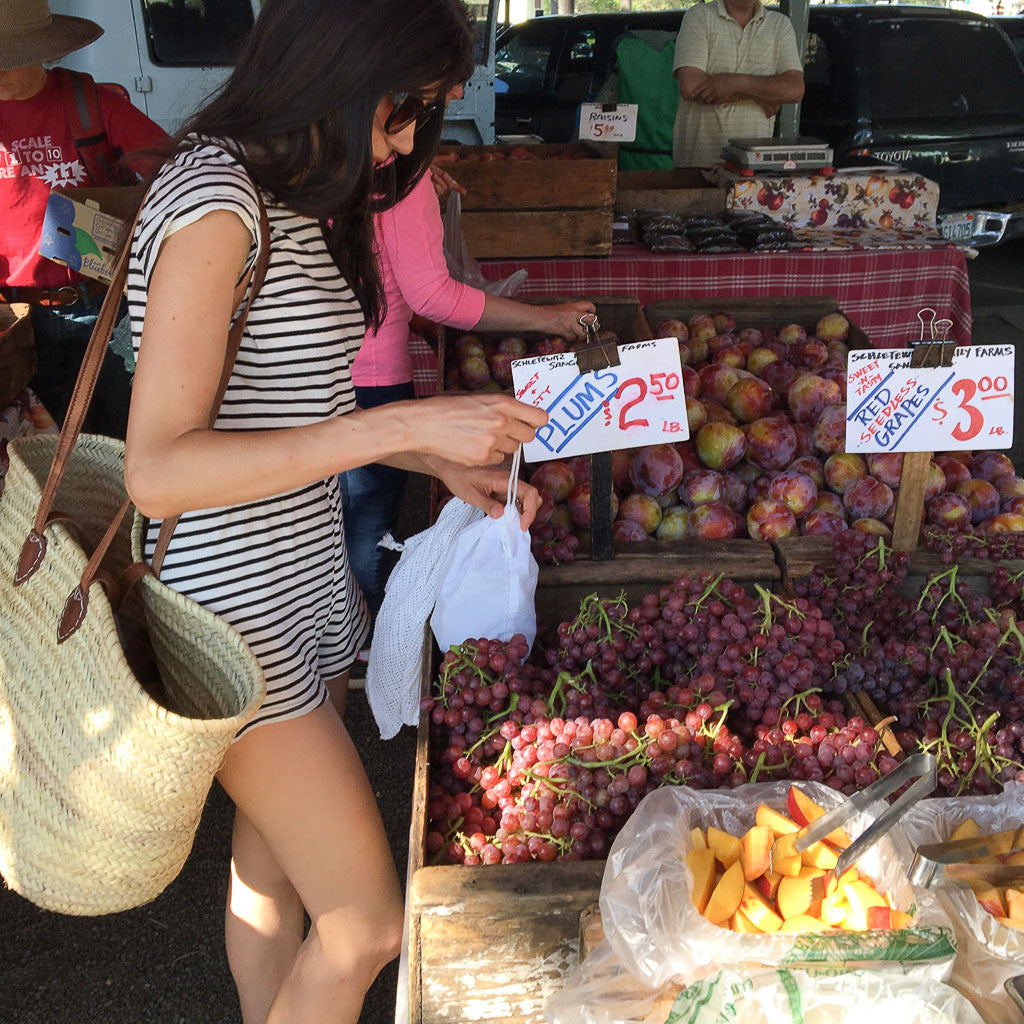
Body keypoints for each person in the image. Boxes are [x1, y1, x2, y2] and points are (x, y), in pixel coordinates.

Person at [123, 1, 545, 1021]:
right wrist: (403, 430)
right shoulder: (219, 204)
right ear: (335, 69)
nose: (404, 138)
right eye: (400, 109)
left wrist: (427, 456)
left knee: (273, 876)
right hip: (227, 610)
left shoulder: (304, 191)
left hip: (296, 575)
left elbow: (295, 405)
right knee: (366, 922)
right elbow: (157, 470)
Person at [341, 97, 593, 625]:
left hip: (334, 369)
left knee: (346, 503)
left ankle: (356, 620)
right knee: (368, 512)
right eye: (448, 85)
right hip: (372, 374)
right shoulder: (398, 174)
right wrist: (545, 320)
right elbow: (434, 298)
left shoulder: (348, 166)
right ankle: (371, 623)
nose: (457, 95)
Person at [0, 0, 167, 436]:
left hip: (101, 309)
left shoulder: (90, 104)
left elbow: (174, 174)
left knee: (118, 441)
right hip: (18, 320)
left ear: (41, 50)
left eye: (7, 60)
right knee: (39, 455)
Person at [672, 0, 804, 168]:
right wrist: (761, 95)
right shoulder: (699, 16)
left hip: (751, 169)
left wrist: (735, 83)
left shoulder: (780, 25)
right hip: (698, 165)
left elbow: (795, 89)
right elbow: (690, 86)